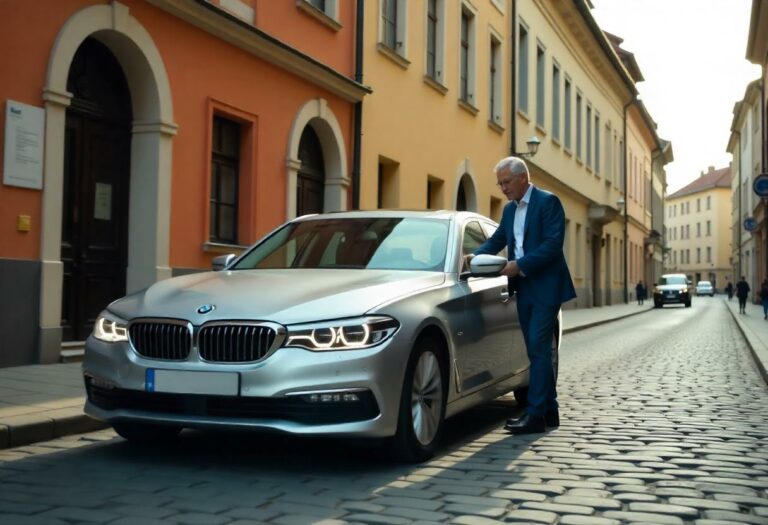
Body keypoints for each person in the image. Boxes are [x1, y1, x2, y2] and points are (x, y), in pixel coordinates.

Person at [470, 156, 576, 435]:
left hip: (547, 286)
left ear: (522, 178)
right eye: (500, 184)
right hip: (524, 288)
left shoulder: (547, 202)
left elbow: (553, 245)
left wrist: (520, 265)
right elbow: (498, 240)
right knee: (534, 350)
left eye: (506, 182)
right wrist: (474, 257)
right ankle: (549, 411)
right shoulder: (508, 210)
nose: (503, 188)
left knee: (539, 348)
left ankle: (535, 414)